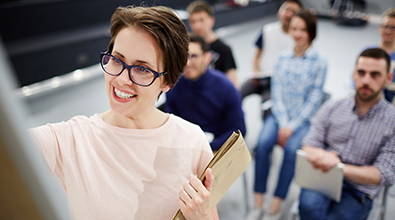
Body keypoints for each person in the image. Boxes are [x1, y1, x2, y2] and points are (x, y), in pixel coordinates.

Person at [28, 6, 219, 220]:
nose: (121, 79)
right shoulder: (69, 141)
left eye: (143, 69)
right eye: (117, 60)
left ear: (167, 81)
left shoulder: (193, 140)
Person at [247, 10, 327, 220]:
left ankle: (276, 203)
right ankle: (258, 201)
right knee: (262, 144)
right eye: (294, 29)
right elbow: (277, 92)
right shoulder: (281, 58)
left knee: (292, 151)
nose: (298, 34)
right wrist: (283, 122)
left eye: (303, 29)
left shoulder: (320, 61)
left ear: (311, 32)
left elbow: (314, 99)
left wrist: (292, 126)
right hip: (279, 115)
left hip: (303, 120)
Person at [298, 48, 395, 220]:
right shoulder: (332, 107)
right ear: (353, 74)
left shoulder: (392, 121)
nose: (366, 80)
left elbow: (384, 173)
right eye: (361, 72)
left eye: (375, 75)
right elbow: (308, 144)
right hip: (322, 176)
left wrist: (339, 167)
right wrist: (322, 155)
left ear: (388, 78)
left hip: (359, 190)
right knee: (309, 207)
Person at [165, 33, 246, 152]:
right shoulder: (174, 87)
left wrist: (208, 146)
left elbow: (239, 129)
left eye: (193, 56)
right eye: (184, 56)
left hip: (218, 146)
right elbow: (172, 126)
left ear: (207, 58)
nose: (187, 63)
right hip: (188, 146)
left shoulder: (225, 87)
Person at [240, 0, 302, 119]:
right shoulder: (267, 30)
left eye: (293, 12)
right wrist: (255, 72)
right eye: (286, 9)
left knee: (267, 107)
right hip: (259, 76)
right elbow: (257, 56)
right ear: (279, 11)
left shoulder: (297, 39)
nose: (288, 14)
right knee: (236, 94)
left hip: (277, 82)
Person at [187, 0, 239, 89]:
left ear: (211, 20)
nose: (197, 26)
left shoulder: (224, 49)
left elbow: (234, 85)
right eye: (193, 21)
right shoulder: (187, 49)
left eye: (201, 20)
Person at [364, 8, 395, 102]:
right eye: (385, 26)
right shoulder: (368, 52)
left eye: (393, 28)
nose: (388, 31)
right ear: (380, 27)